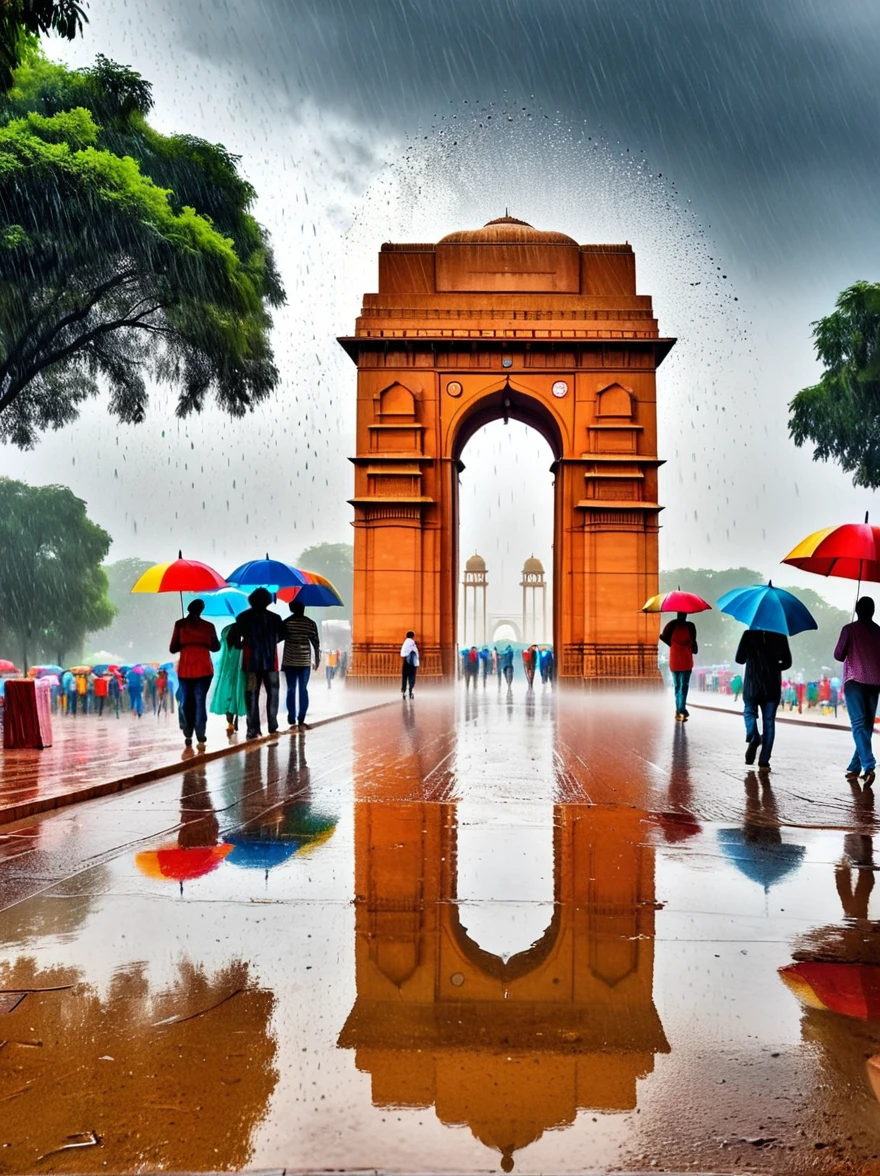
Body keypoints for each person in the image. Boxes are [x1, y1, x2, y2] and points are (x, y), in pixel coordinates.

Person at [228, 587, 287, 739]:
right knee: (273, 693)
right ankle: (272, 725)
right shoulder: (275, 618)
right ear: (268, 601)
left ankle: (253, 729)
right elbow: (283, 635)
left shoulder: (243, 617)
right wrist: (271, 641)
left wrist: (241, 644)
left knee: (251, 695)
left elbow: (233, 637)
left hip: (251, 664)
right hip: (270, 663)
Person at [834, 596, 880, 787]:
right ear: (873, 611)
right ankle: (855, 766)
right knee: (867, 726)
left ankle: (869, 766)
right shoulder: (879, 631)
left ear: (857, 609)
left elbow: (838, 655)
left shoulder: (849, 629)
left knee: (859, 725)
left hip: (855, 681)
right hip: (875, 683)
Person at [735, 627, 792, 770]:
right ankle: (764, 761)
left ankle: (753, 736)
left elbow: (739, 659)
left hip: (752, 684)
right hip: (772, 686)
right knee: (769, 723)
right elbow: (787, 662)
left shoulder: (748, 634)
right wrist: (773, 664)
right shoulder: (780, 636)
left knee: (749, 711)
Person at [170, 599, 221, 748]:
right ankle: (200, 733)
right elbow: (215, 647)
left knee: (187, 701)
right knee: (200, 701)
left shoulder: (180, 625)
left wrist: (184, 641)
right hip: (204, 668)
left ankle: (187, 731)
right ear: (201, 610)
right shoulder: (209, 626)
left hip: (186, 669)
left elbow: (173, 648)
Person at [282, 601, 321, 728]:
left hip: (289, 662)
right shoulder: (310, 623)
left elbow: (278, 637)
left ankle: (291, 716)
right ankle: (301, 717)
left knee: (291, 689)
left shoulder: (286, 622)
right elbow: (316, 642)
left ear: (291, 608)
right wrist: (317, 659)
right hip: (304, 662)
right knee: (303, 689)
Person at [660, 611, 699, 721]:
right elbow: (694, 642)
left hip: (677, 660)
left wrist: (674, 646)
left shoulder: (671, 625)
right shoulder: (689, 626)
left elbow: (663, 637)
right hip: (684, 660)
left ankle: (679, 710)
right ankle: (681, 709)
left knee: (678, 686)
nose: (682, 616)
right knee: (682, 686)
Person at [210, 622, 247, 733]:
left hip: (227, 672)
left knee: (227, 695)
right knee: (238, 694)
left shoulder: (226, 632)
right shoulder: (243, 639)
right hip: (240, 671)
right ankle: (234, 719)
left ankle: (230, 722)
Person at [400, 631, 419, 699]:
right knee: (412, 678)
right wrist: (416, 664)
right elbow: (416, 655)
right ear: (412, 636)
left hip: (405, 663)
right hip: (412, 664)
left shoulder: (404, 644)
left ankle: (404, 691)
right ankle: (411, 691)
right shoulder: (413, 644)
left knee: (405, 678)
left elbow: (402, 654)